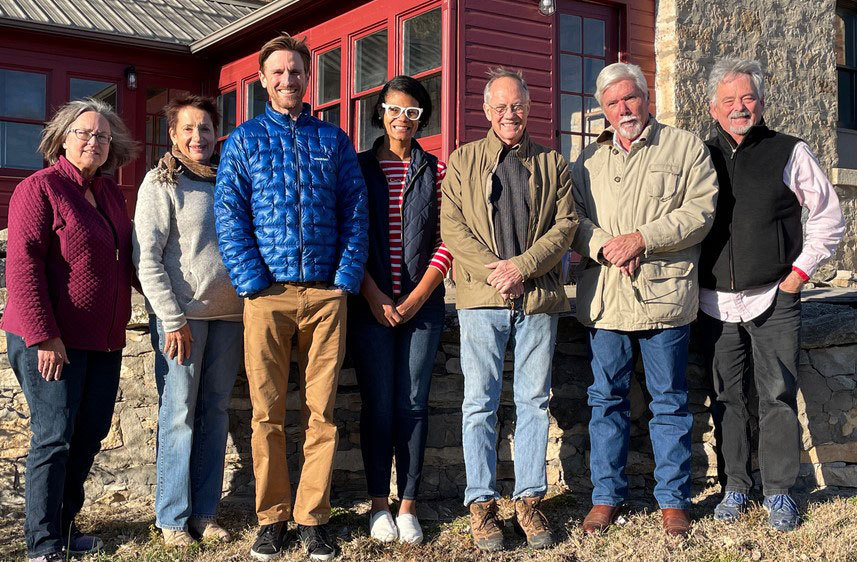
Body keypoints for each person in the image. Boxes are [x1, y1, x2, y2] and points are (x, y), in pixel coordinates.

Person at [214, 33, 368, 561]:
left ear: (308, 77)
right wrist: (252, 281)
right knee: (268, 415)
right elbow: (229, 216)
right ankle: (273, 518)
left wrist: (344, 278)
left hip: (326, 296)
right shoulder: (243, 141)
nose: (288, 79)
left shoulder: (333, 140)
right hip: (267, 297)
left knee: (322, 413)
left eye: (296, 71)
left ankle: (313, 519)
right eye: (278, 71)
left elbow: (355, 211)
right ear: (263, 79)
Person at [570, 62, 718, 537]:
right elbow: (572, 218)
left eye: (630, 97)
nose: (623, 109)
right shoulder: (587, 160)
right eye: (612, 103)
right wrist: (606, 247)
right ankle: (606, 497)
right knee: (606, 400)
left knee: (669, 402)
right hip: (607, 299)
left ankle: (673, 501)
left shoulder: (684, 147)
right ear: (603, 110)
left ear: (646, 97)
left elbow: (700, 213)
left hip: (664, 297)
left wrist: (642, 239)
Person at [698, 58, 844, 532]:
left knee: (777, 395)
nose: (738, 107)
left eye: (747, 98)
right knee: (726, 398)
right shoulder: (698, 156)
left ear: (761, 103)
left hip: (774, 296)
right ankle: (736, 487)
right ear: (713, 108)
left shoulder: (789, 150)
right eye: (728, 100)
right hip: (713, 301)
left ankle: (780, 491)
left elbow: (828, 216)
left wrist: (798, 275)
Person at [441, 67, 578, 552]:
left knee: (533, 402)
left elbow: (565, 225)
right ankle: (481, 505)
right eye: (499, 107)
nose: (509, 114)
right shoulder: (463, 161)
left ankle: (529, 501)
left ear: (529, 107)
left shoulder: (553, 163)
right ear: (486, 111)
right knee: (479, 403)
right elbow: (453, 228)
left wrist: (522, 267)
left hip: (537, 297)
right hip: (481, 300)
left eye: (516, 105)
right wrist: (496, 273)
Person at [2, 98, 138, 562]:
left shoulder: (111, 194)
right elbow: (23, 267)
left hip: (103, 340)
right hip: (50, 338)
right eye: (84, 132)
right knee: (54, 436)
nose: (93, 141)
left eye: (103, 136)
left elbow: (127, 259)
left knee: (89, 434)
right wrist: (44, 335)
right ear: (62, 138)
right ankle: (41, 544)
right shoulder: (39, 188)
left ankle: (63, 529)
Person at [132, 94, 244, 546]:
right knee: (178, 413)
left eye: (206, 128)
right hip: (183, 320)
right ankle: (172, 519)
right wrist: (171, 318)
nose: (199, 136)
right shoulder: (161, 183)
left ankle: (205, 513)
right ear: (174, 135)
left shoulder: (229, 179)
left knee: (215, 412)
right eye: (189, 129)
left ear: (217, 133)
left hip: (231, 317)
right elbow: (147, 258)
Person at [348, 75, 451, 545]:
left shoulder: (436, 170)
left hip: (421, 308)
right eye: (394, 109)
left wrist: (416, 298)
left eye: (412, 112)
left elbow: (447, 240)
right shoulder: (358, 168)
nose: (402, 119)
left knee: (412, 404)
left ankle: (407, 505)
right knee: (377, 405)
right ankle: (378, 505)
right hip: (369, 304)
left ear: (421, 118)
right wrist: (373, 295)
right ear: (380, 112)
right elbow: (349, 237)